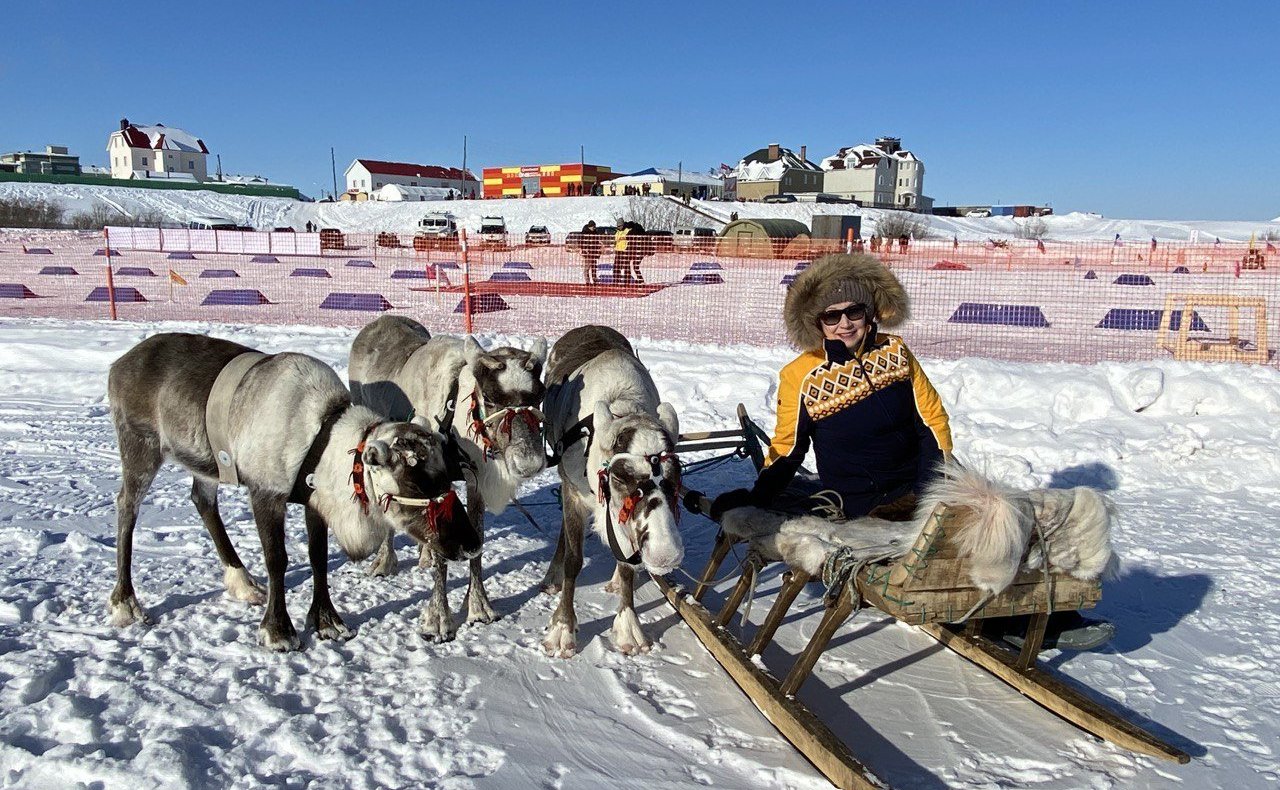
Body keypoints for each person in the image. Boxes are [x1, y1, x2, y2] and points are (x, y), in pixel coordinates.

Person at [707, 253, 1112, 650]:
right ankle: (1005, 620)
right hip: (864, 500)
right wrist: (758, 498)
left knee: (998, 520)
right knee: (951, 544)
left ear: (871, 312)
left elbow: (930, 421)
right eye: (832, 316)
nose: (844, 323)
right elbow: (788, 448)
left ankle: (1047, 609)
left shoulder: (896, 353)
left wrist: (930, 489)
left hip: (922, 481)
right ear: (817, 323)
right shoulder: (800, 376)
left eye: (854, 311)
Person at [580, 220, 603, 284]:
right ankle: (587, 281)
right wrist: (584, 249)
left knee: (594, 266)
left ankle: (594, 279)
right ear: (590, 227)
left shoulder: (595, 232)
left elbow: (597, 242)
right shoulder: (584, 232)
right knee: (587, 267)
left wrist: (598, 250)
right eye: (593, 227)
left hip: (594, 251)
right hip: (587, 252)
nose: (594, 228)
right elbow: (581, 242)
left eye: (595, 227)